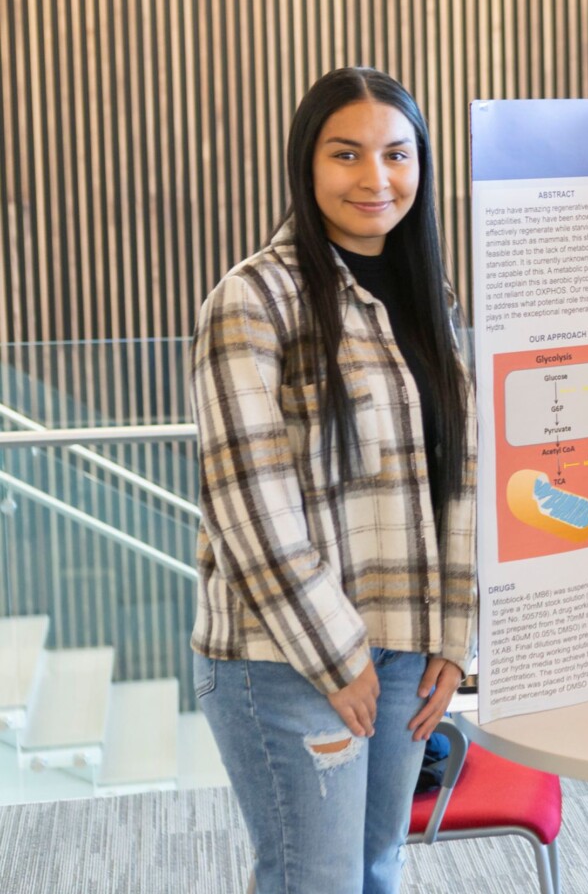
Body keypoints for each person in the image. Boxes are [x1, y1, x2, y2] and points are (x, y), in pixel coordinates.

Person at [190, 67, 477, 894]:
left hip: (405, 649)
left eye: (397, 154)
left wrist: (452, 640)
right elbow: (249, 504)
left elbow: (456, 478)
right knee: (313, 882)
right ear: (306, 164)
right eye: (346, 154)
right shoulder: (253, 301)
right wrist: (339, 657)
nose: (375, 179)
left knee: (376, 870)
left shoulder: (431, 298)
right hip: (285, 656)